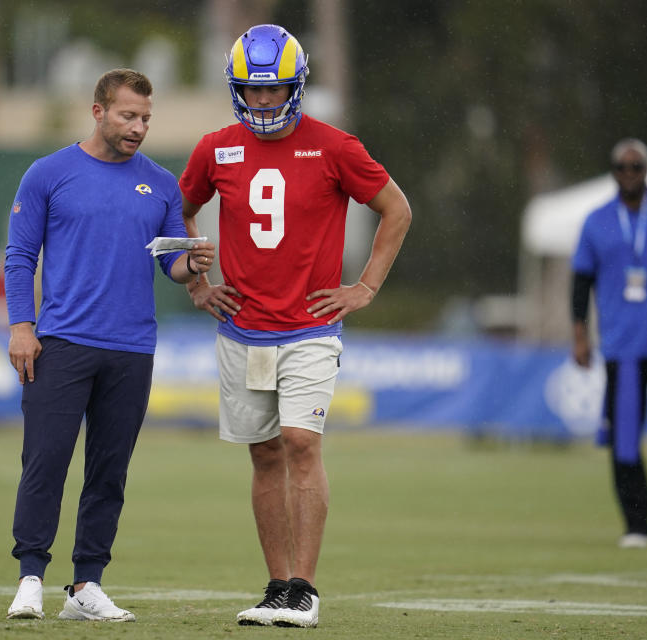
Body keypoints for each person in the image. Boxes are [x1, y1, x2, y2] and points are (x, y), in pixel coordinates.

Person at [179, 24, 412, 628]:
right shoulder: (214, 148)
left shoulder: (335, 145)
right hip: (242, 327)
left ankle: (305, 590)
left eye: (273, 90)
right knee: (263, 456)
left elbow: (396, 208)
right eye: (251, 92)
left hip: (309, 326)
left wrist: (365, 287)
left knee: (302, 444)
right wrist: (197, 280)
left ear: (296, 86)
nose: (262, 102)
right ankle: (277, 586)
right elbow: (176, 209)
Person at [4, 68, 215, 622]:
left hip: (131, 349)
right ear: (97, 111)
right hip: (61, 344)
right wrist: (21, 326)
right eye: (128, 115)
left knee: (108, 472)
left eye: (146, 118)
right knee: (45, 462)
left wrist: (189, 264)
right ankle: (30, 577)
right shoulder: (48, 173)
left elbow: (169, 262)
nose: (138, 127)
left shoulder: (163, 185)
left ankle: (86, 587)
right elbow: (20, 256)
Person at [571, 138, 647, 549]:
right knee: (624, 436)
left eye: (636, 166)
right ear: (613, 172)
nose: (629, 174)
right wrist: (579, 334)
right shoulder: (597, 221)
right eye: (621, 167)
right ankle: (637, 523)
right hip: (622, 345)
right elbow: (581, 281)